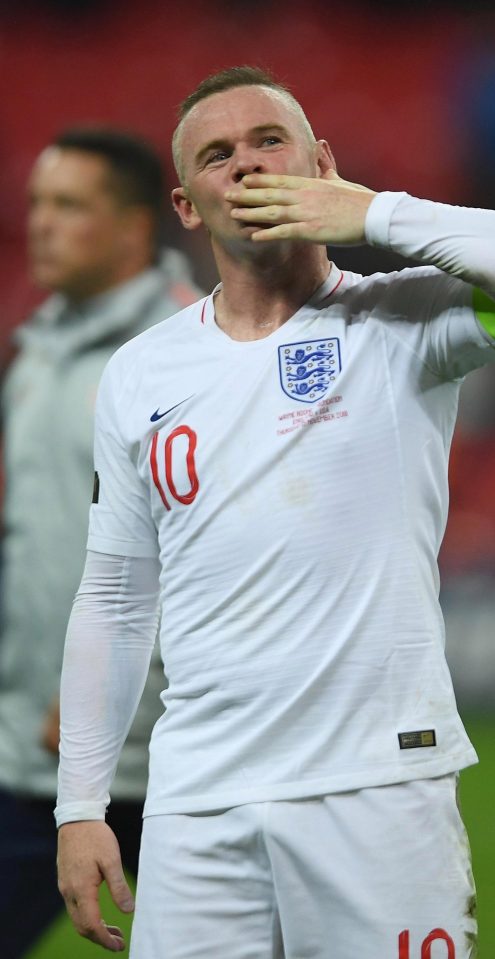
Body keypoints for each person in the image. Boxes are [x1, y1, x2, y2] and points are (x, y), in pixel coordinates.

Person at [54, 67, 495, 959]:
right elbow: (115, 596)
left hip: (377, 789)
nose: (246, 165)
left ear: (321, 162)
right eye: (216, 155)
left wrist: (377, 214)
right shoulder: (141, 373)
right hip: (197, 803)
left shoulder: (404, 321)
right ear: (187, 206)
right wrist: (81, 805)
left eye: (269, 140)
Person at [0, 127, 200, 959]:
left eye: (69, 205)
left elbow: (201, 551)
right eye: (38, 203)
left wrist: (101, 693)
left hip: (171, 761)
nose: (41, 223)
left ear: (131, 227)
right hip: (26, 749)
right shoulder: (36, 349)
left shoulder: (192, 354)